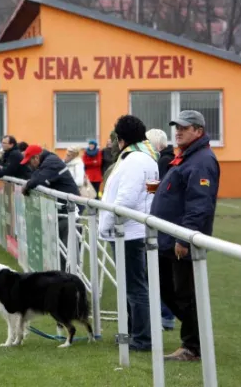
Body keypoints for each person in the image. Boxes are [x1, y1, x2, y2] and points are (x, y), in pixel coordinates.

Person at [151, 110, 221, 362]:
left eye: (184, 127)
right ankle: (196, 334)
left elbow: (200, 204)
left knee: (184, 293)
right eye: (176, 127)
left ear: (198, 131)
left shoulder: (201, 160)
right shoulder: (187, 157)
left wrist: (185, 238)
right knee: (169, 290)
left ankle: (193, 346)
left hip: (182, 241)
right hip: (169, 239)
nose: (177, 131)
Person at [98, 115, 159, 352]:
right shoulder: (148, 158)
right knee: (133, 286)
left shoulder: (134, 160)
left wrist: (107, 224)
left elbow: (126, 198)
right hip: (134, 230)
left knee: (135, 287)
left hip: (129, 232)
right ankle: (135, 331)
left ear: (121, 139)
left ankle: (141, 337)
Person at [21, 144, 81, 271]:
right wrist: (29, 182)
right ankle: (65, 276)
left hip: (70, 210)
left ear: (36, 158)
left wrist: (27, 185)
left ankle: (71, 278)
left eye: (29, 162)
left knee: (69, 249)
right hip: (63, 209)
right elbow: (35, 177)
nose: (29, 166)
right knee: (61, 249)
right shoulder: (46, 161)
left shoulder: (51, 162)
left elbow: (38, 180)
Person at [146, 128, 176, 331]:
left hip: (163, 223)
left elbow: (156, 189)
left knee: (160, 272)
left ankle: (165, 316)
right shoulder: (170, 159)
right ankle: (166, 315)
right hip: (168, 222)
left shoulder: (163, 162)